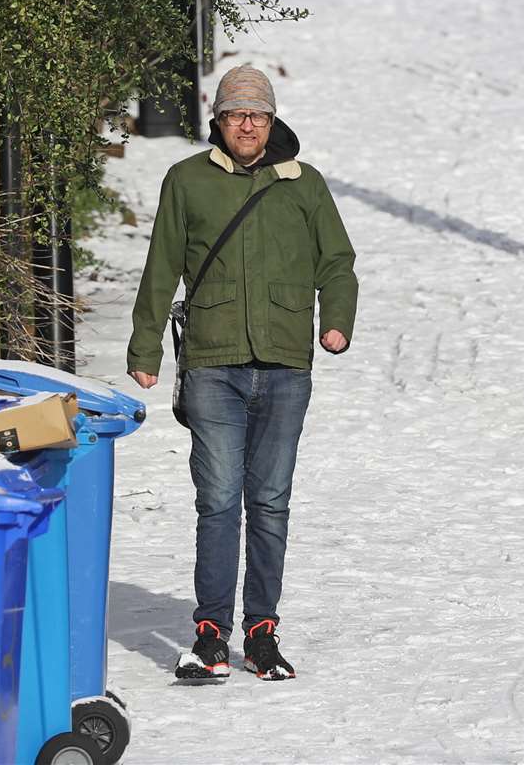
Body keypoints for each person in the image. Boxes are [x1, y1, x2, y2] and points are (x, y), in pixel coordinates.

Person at [127, 64, 358, 681]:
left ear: (272, 120)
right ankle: (210, 634)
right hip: (213, 364)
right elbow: (162, 266)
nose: (248, 125)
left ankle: (261, 632)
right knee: (220, 500)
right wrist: (144, 347)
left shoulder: (304, 185)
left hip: (285, 364)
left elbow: (337, 261)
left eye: (258, 115)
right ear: (219, 123)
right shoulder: (187, 181)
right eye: (236, 115)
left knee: (271, 502)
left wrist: (336, 319)